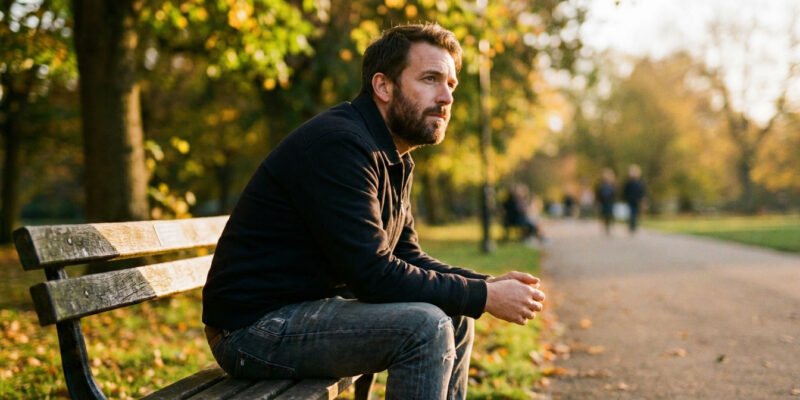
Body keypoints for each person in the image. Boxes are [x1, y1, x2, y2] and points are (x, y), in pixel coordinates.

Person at [202, 23, 545, 400]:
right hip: (252, 330)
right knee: (425, 327)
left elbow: (405, 254)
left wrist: (485, 285)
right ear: (383, 86)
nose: (446, 97)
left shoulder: (393, 155)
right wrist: (483, 296)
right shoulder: (341, 145)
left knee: (456, 317)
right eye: (431, 79)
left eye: (451, 84)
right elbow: (373, 275)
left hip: (302, 313)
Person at [622, 164, 646, 234]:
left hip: (637, 201)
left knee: (635, 214)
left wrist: (643, 200)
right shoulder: (628, 182)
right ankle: (631, 227)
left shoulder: (640, 182)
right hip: (630, 201)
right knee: (631, 214)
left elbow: (643, 192)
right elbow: (625, 192)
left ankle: (633, 226)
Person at [596, 168, 616, 235]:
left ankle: (608, 226)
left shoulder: (613, 185)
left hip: (610, 202)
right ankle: (604, 226)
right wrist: (598, 201)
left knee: (609, 215)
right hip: (603, 202)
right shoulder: (601, 185)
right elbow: (598, 193)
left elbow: (615, 194)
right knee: (603, 214)